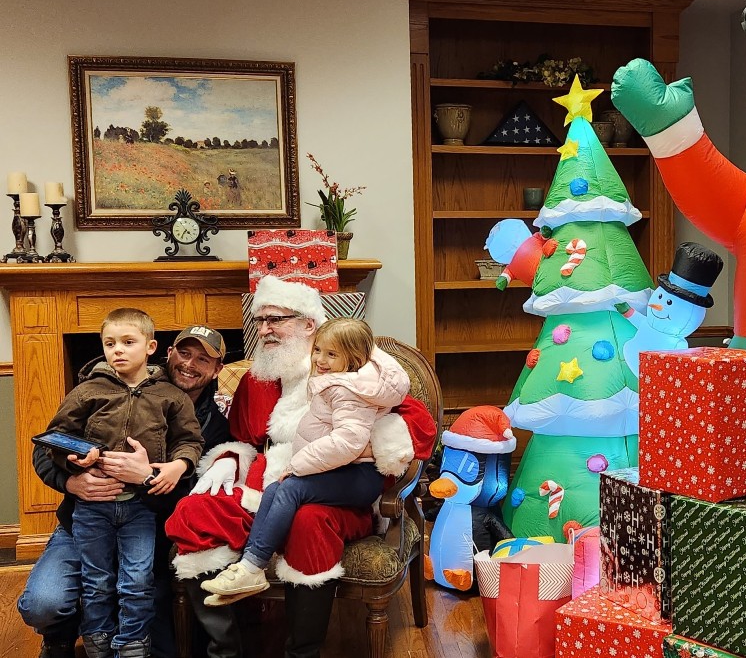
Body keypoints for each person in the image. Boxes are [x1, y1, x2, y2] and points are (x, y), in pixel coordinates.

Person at [166, 276, 435, 658]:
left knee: (309, 521)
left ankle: (302, 653)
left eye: (275, 319)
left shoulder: (352, 369)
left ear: (309, 323)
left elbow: (418, 426)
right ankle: (226, 651)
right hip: (268, 484)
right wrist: (228, 458)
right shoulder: (257, 379)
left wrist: (372, 440)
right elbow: (243, 438)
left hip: (337, 490)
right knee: (194, 511)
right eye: (260, 320)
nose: (264, 330)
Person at [19, 323, 229, 658]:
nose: (189, 364)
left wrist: (148, 476)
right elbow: (47, 446)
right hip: (84, 520)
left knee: (152, 628)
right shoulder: (102, 388)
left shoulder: (215, 426)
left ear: (217, 369)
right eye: (184, 353)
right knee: (44, 604)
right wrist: (71, 482)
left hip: (148, 528)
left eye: (203, 359)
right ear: (166, 352)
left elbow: (199, 492)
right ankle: (59, 637)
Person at [200, 317, 410, 602]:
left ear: (354, 359)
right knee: (273, 489)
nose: (320, 360)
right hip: (343, 471)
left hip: (359, 478)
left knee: (289, 488)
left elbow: (348, 442)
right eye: (318, 350)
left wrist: (297, 465)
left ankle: (253, 565)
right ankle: (249, 565)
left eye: (332, 354)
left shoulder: (349, 391)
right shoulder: (341, 381)